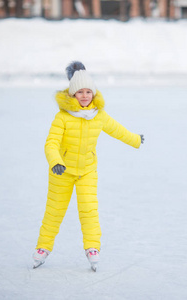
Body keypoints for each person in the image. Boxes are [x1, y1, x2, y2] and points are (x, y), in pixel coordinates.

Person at [33, 61, 144, 271]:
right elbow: (51, 143)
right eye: (80, 92)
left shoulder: (98, 115)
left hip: (87, 171)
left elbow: (117, 129)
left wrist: (135, 139)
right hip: (61, 171)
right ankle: (43, 247)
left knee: (89, 210)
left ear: (93, 93)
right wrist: (55, 161)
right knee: (54, 211)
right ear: (72, 94)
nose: (84, 96)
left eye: (88, 91)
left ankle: (92, 247)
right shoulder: (63, 117)